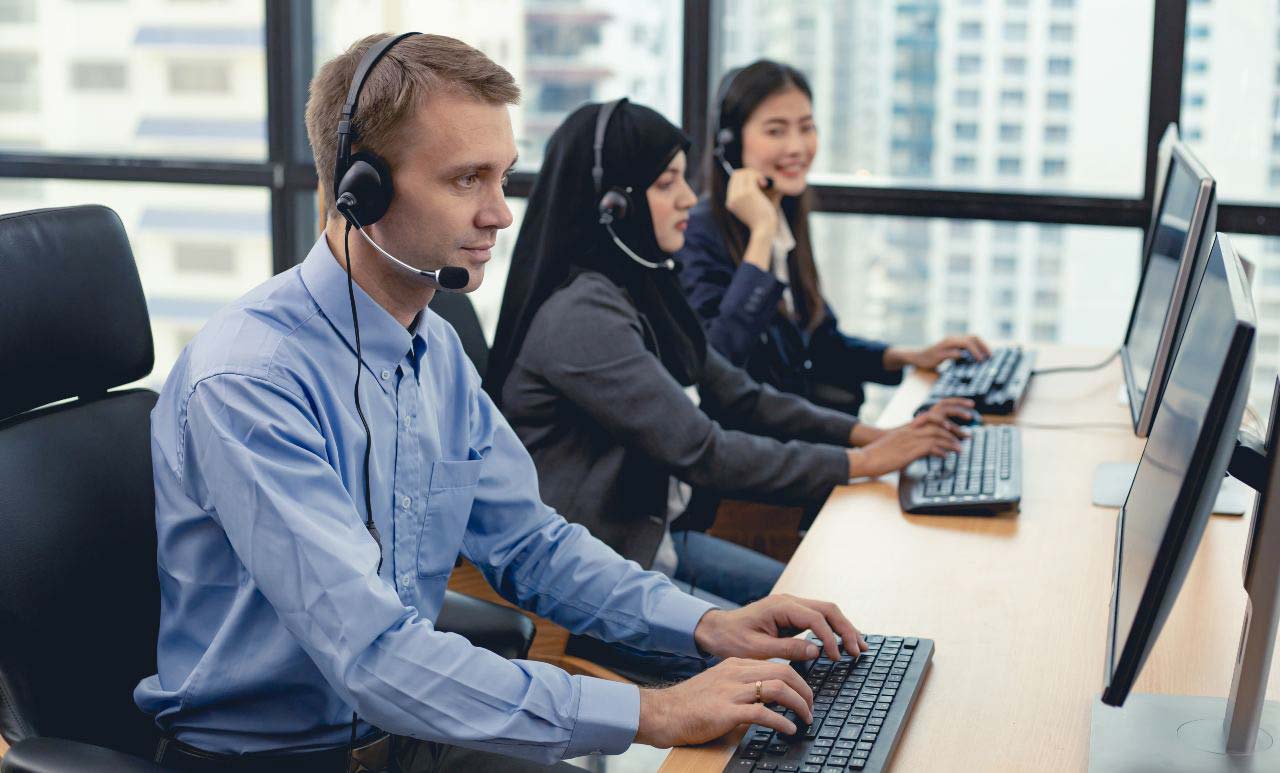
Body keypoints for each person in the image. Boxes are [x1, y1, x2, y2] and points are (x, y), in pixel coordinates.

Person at [134, 33, 870, 772]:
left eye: (504, 178)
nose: (500, 214)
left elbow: (530, 545)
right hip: (273, 759)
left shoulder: (435, 352)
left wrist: (710, 625)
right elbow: (373, 656)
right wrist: (657, 710)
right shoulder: (250, 381)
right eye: (466, 180)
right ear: (364, 191)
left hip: (411, 739)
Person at [482, 99, 966, 678]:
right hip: (606, 587)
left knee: (850, 632)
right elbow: (703, 450)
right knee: (816, 666)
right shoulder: (582, 316)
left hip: (664, 540)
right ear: (615, 206)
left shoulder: (640, 286)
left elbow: (740, 395)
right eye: (667, 184)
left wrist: (877, 437)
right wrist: (861, 461)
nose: (689, 197)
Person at [678, 60, 992, 418]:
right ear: (730, 144)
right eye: (776, 131)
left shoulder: (786, 213)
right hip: (752, 454)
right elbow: (719, 361)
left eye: (807, 128)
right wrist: (761, 237)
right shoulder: (701, 231)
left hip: (804, 438)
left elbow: (820, 341)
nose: (797, 146)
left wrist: (909, 355)